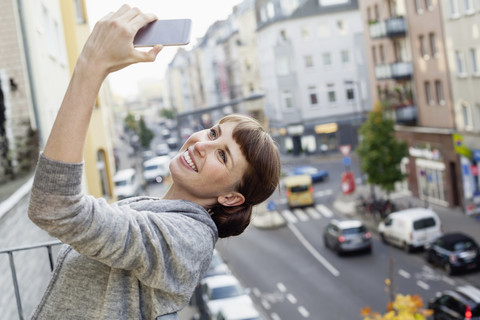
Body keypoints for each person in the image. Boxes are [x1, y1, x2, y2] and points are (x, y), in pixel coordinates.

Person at [27, 5, 281, 320]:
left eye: (222, 154)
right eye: (214, 132)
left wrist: (92, 65)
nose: (202, 143)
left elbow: (55, 207)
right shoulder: (156, 208)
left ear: (231, 197)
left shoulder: (188, 240)